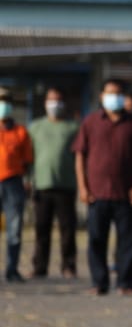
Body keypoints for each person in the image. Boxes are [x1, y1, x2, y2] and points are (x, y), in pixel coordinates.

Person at [73, 80, 132, 295]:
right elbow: (80, 155)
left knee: (129, 241)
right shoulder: (90, 123)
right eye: (110, 93)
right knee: (96, 239)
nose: (114, 97)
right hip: (97, 192)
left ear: (124, 96)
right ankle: (99, 282)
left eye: (118, 93)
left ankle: (126, 282)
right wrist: (82, 186)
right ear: (101, 96)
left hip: (127, 193)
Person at [27, 87, 78, 279]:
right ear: (45, 103)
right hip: (41, 184)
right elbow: (29, 157)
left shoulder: (72, 128)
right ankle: (40, 267)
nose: (54, 104)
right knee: (41, 229)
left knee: (67, 229)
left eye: (58, 100)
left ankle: (69, 266)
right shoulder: (36, 127)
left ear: (63, 103)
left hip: (66, 185)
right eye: (51, 99)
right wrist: (28, 181)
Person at [0, 87, 34, 283]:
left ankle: (12, 269)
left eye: (5, 100)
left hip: (13, 183)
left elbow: (28, 161)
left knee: (14, 229)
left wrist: (28, 182)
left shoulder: (21, 132)